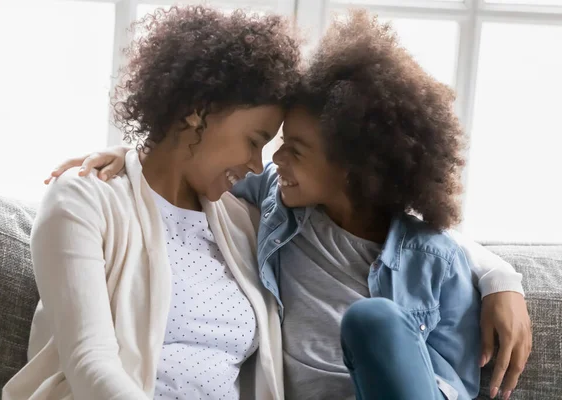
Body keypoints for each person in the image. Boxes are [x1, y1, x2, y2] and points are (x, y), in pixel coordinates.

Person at [48, 10, 532, 400]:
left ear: (353, 169)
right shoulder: (273, 208)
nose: (266, 163)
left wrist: (499, 277)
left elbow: (427, 257)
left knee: (374, 320)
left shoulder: (432, 262)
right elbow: (173, 165)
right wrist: (132, 155)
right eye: (262, 141)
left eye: (287, 148)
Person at [3, 6, 302, 400]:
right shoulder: (83, 200)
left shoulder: (243, 223)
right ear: (198, 110)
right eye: (254, 140)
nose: (255, 164)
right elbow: (89, 363)